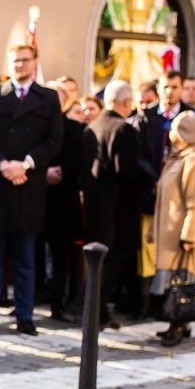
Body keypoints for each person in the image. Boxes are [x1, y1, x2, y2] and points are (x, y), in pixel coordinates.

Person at [0, 44, 63, 335]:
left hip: (28, 188)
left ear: (35, 62)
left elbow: (54, 139)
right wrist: (2, 164)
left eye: (25, 60)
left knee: (26, 258)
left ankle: (25, 316)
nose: (20, 65)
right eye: (15, 61)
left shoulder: (47, 98)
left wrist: (26, 164)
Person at [81, 80, 149, 329]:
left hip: (96, 206)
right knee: (110, 264)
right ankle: (94, 313)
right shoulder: (123, 129)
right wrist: (148, 182)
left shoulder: (93, 126)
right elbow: (127, 171)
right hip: (118, 209)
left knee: (100, 262)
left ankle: (97, 313)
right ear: (127, 102)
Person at [150, 112, 195, 346]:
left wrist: (189, 234)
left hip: (181, 235)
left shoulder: (194, 162)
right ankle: (175, 323)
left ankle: (179, 323)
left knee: (182, 282)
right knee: (172, 281)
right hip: (169, 232)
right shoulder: (177, 159)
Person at [42, 78, 88, 323]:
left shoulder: (76, 129)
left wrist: (60, 172)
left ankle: (60, 304)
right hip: (37, 198)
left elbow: (81, 161)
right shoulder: (37, 127)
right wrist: (43, 173)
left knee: (63, 257)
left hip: (64, 198)